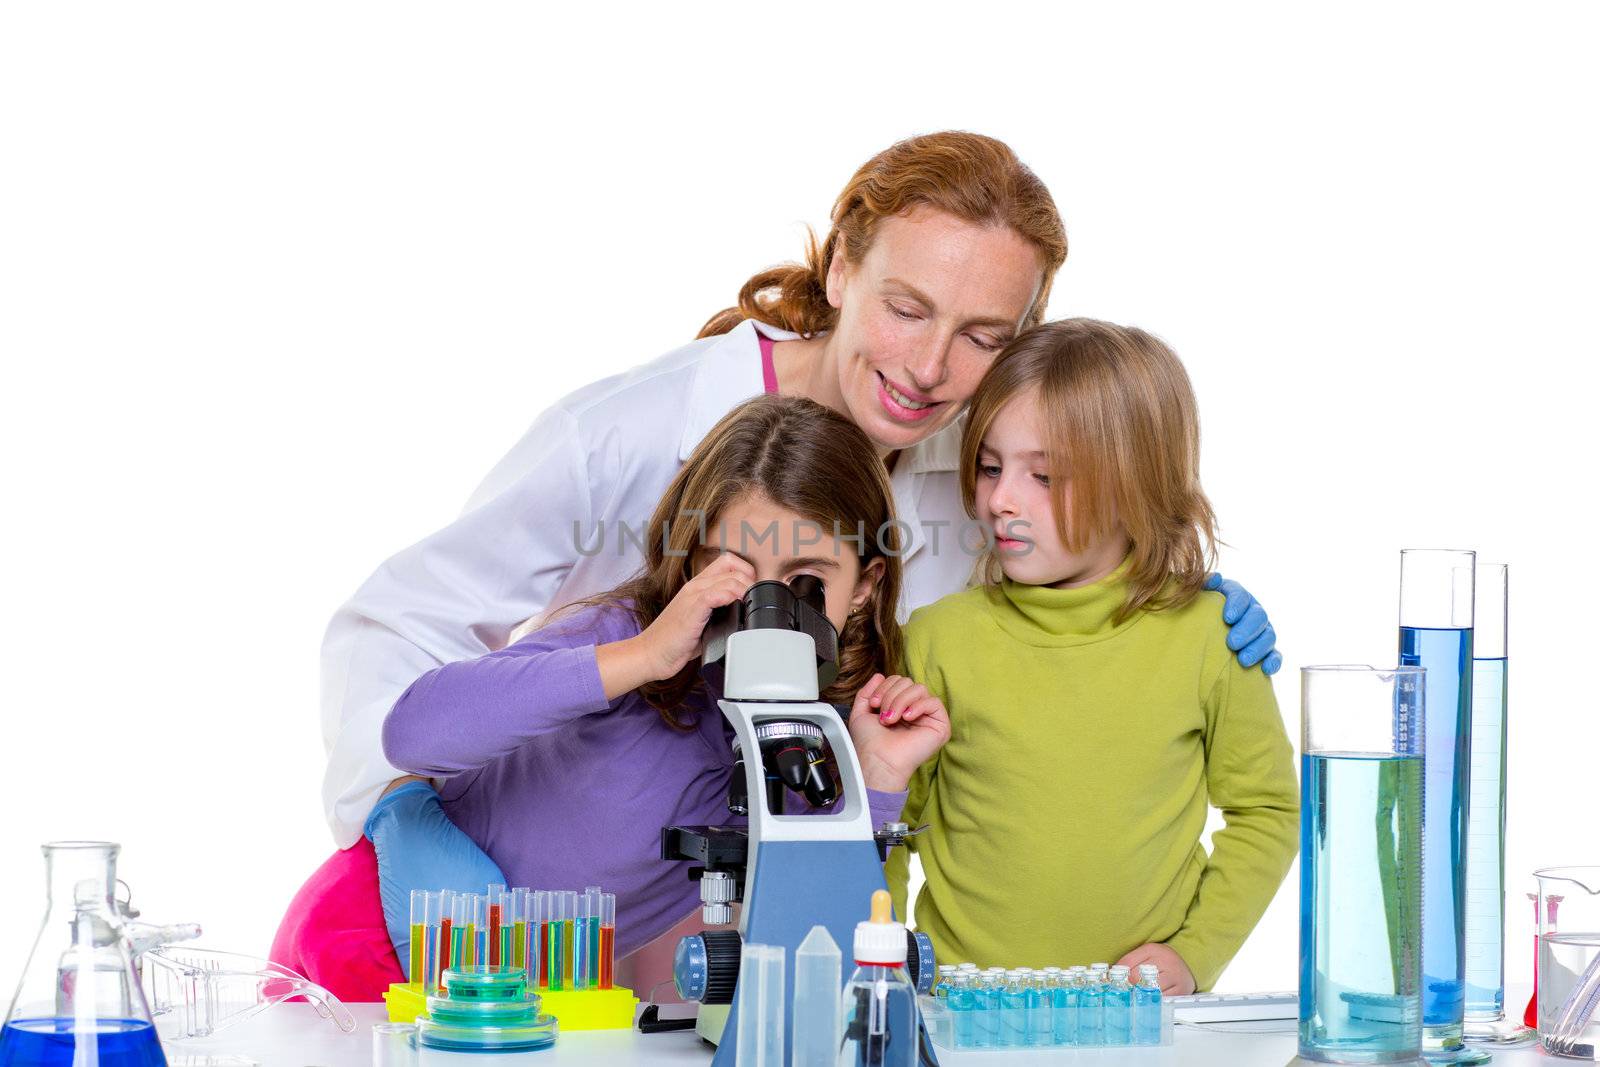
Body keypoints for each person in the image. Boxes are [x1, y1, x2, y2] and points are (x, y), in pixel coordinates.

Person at [316, 131, 1279, 966]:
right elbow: (397, 623)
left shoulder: (985, 474)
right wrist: (412, 830)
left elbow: (1074, 582)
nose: (931, 367)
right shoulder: (627, 433)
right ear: (841, 269)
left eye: (982, 334)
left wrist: (1177, 600)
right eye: (906, 308)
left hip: (698, 920)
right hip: (478, 908)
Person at [275, 396, 949, 995]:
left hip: (520, 993)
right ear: (689, 563)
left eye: (804, 583)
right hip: (377, 939)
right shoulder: (623, 639)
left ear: (864, 585)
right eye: (732, 572)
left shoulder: (804, 736)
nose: (761, 610)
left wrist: (877, 777)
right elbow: (410, 734)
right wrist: (643, 656)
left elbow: (818, 921)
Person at [883, 319, 1298, 995]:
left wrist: (1195, 953)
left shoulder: (1211, 639)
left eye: (1044, 474)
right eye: (990, 466)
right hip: (958, 1020)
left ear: (1137, 484)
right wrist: (885, 967)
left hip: (1139, 1026)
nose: (1000, 499)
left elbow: (1269, 812)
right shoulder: (936, 640)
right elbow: (886, 820)